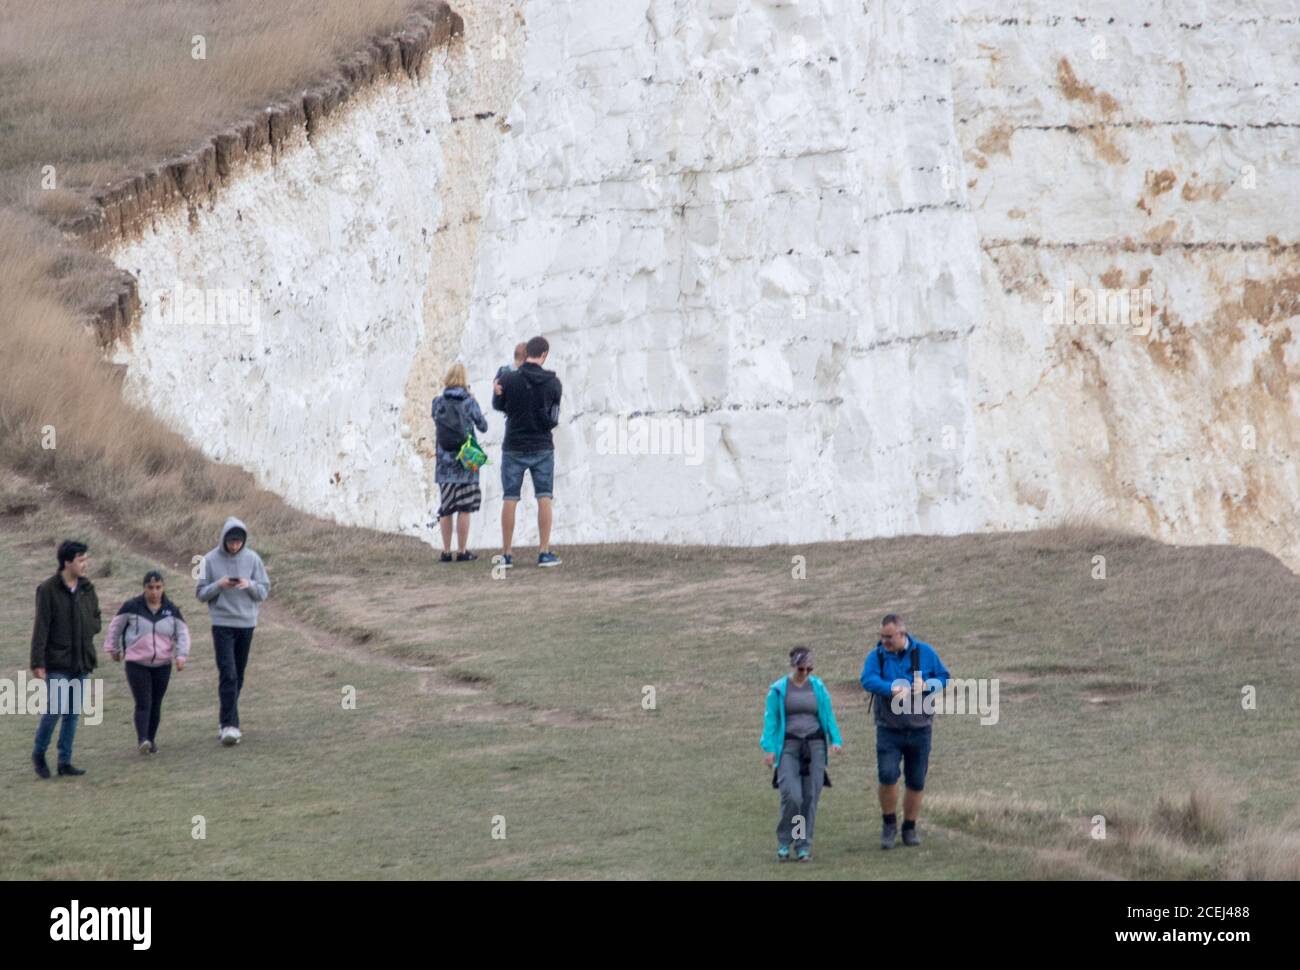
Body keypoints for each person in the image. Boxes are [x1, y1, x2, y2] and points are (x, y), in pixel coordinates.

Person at [859, 613, 951, 849]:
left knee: (916, 781)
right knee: (888, 775)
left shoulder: (925, 653)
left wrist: (928, 685)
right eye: (881, 636)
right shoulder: (877, 656)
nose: (884, 641)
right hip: (889, 730)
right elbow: (867, 680)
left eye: (888, 637)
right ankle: (889, 825)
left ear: (902, 634)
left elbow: (944, 677)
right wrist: (891, 688)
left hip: (920, 730)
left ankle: (909, 828)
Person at [760, 646, 844, 861]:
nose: (805, 673)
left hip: (814, 746)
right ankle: (784, 840)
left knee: (809, 798)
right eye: (801, 669)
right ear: (793, 666)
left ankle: (802, 844)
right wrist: (768, 749)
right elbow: (771, 720)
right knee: (792, 796)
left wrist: (836, 739)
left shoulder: (818, 687)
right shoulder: (779, 689)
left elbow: (827, 714)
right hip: (789, 746)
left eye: (809, 668)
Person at [195, 517, 269, 747]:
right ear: (223, 539)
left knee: (239, 675)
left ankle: (225, 719)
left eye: (238, 542)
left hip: (247, 623)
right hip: (222, 623)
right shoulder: (208, 560)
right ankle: (230, 726)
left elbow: (264, 590)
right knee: (228, 673)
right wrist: (220, 584)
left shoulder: (253, 559)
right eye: (231, 541)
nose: (235, 546)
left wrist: (250, 586)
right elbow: (200, 593)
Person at [30, 540, 101, 779]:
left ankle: (65, 761)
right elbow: (41, 627)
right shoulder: (48, 589)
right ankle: (39, 753)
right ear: (67, 562)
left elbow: (96, 617)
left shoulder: (87, 588)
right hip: (57, 661)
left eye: (85, 559)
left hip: (81, 660)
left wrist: (90, 627)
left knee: (72, 712)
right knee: (55, 709)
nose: (85, 564)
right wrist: (37, 662)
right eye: (80, 560)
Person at [492, 334, 563, 568]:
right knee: (544, 497)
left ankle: (507, 554)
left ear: (526, 353)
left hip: (513, 445)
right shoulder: (554, 383)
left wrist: (497, 391)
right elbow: (554, 419)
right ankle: (544, 552)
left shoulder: (509, 379)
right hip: (542, 446)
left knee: (510, 498)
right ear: (544, 355)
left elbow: (498, 406)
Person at [104, 570, 191, 754]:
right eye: (150, 588)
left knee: (156, 703)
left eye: (158, 587)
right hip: (137, 663)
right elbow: (115, 627)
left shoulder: (171, 610)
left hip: (162, 664)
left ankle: (151, 740)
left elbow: (183, 633)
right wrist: (113, 648)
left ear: (163, 588)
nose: (154, 592)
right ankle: (142, 739)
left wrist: (181, 656)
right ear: (144, 588)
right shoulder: (131, 607)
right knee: (144, 702)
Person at [432, 362, 490, 562]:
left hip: (444, 465)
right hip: (466, 463)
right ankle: (462, 551)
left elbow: (436, 421)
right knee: (464, 509)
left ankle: (446, 552)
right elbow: (483, 427)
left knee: (446, 508)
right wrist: (473, 401)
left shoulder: (437, 402)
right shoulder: (469, 402)